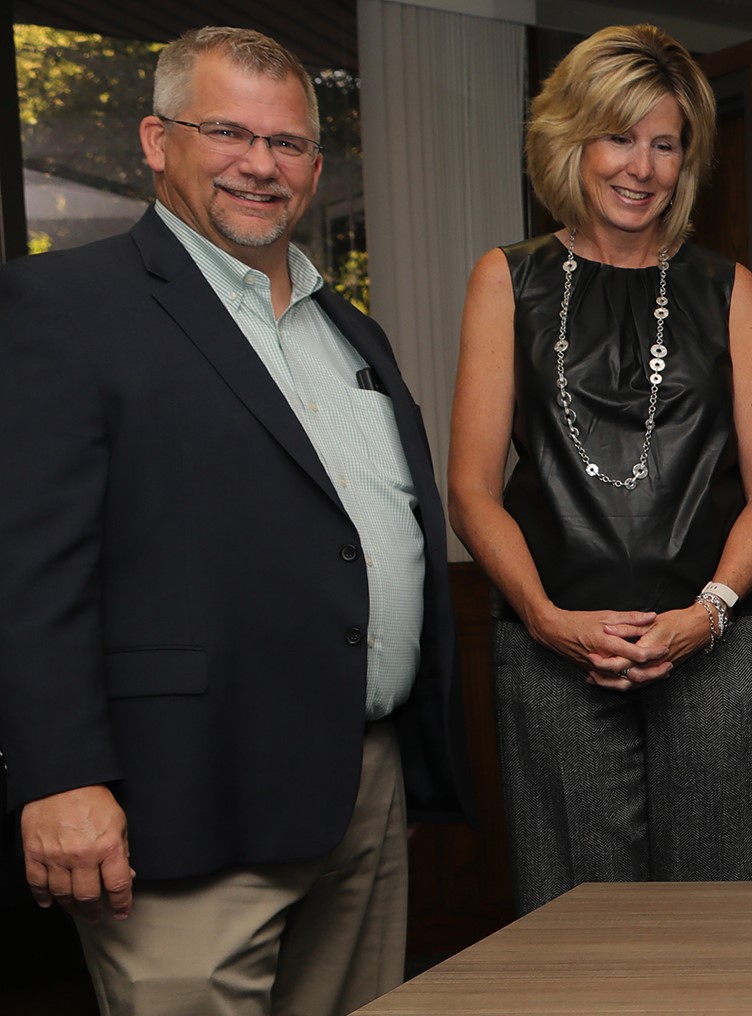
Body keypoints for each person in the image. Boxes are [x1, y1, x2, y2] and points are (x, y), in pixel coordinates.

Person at [0, 27, 471, 1012]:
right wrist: (59, 777)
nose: (262, 163)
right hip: (182, 797)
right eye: (228, 131)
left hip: (362, 784)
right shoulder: (64, 305)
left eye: (290, 142)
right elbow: (27, 568)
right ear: (155, 140)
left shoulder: (350, 325)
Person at [448, 24, 752, 914]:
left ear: (686, 160)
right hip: (555, 649)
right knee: (573, 924)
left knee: (718, 924)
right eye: (618, 136)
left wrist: (707, 614)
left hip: (716, 648)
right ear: (572, 139)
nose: (639, 166)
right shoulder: (505, 280)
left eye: (664, 143)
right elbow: (473, 490)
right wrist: (545, 618)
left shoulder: (730, 288)